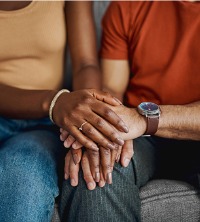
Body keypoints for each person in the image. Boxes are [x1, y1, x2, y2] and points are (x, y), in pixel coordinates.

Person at [60, 1, 200, 221]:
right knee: (97, 172)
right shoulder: (128, 5)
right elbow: (112, 90)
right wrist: (104, 129)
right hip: (141, 138)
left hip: (170, 128)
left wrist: (140, 119)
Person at [0, 1, 129, 221]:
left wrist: (87, 122)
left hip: (43, 123)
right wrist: (54, 101)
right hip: (52, 107)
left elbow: (85, 63)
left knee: (21, 172)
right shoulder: (55, 103)